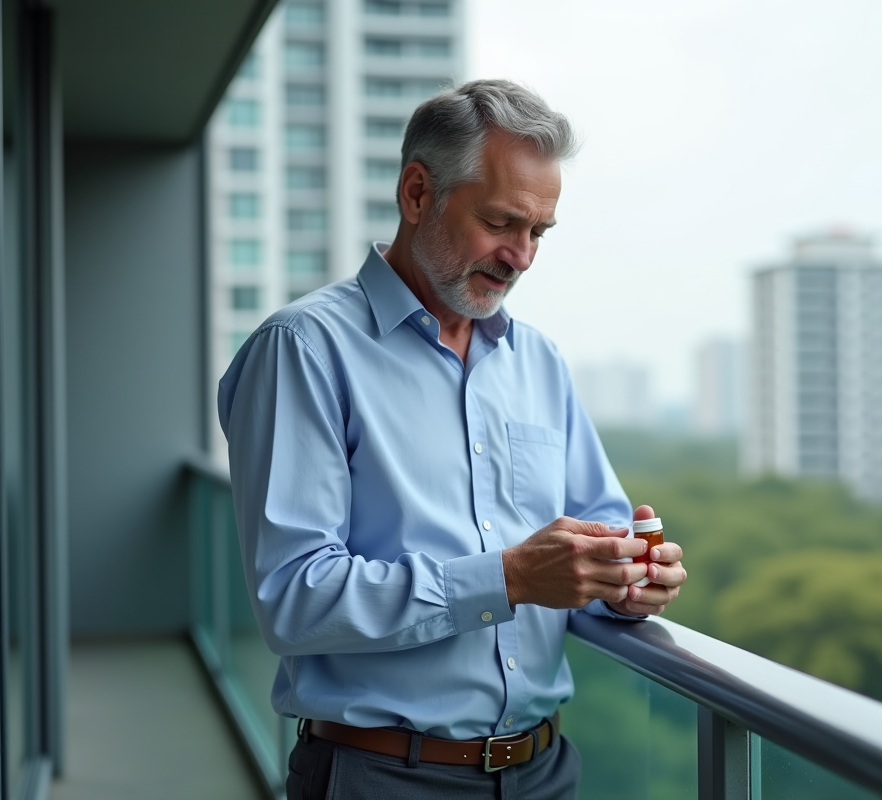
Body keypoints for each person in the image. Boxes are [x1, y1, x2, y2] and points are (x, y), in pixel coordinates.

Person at [217, 79, 688, 799]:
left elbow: (601, 529)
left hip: (545, 773)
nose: (523, 256)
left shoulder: (539, 361)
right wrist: (508, 578)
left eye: (539, 233)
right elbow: (295, 596)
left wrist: (627, 577)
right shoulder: (303, 350)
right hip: (381, 779)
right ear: (416, 194)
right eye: (502, 223)